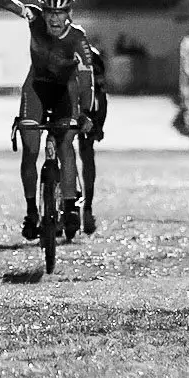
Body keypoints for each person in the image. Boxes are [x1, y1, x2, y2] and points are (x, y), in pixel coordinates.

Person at [0, 0, 95, 240]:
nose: (54, 18)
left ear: (69, 13)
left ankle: (70, 206)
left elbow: (86, 78)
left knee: (65, 145)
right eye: (49, 11)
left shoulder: (77, 37)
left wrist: (86, 114)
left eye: (60, 13)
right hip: (36, 88)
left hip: (64, 93)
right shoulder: (34, 19)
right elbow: (19, 8)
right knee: (30, 150)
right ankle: (31, 212)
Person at [77, 42, 107, 235]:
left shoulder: (93, 57)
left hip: (85, 110)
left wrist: (98, 124)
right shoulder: (57, 51)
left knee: (87, 151)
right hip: (65, 106)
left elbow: (101, 95)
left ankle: (87, 208)